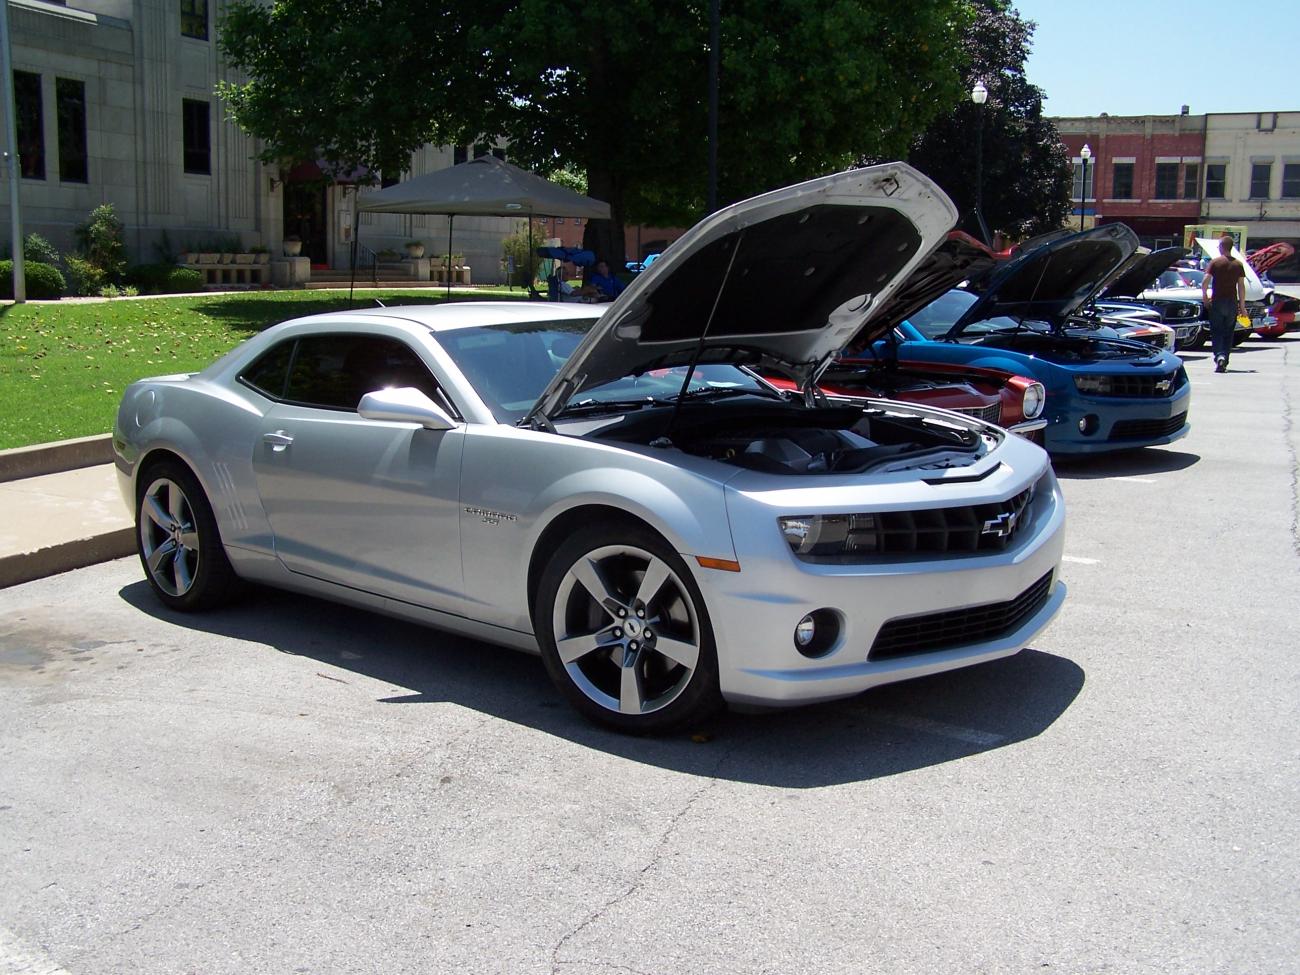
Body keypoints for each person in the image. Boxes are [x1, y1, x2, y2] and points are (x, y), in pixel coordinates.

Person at [1201, 234, 1247, 373]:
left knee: (1217, 331)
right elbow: (1241, 286)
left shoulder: (1215, 263)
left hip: (1218, 302)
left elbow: (1205, 282)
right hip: (1232, 303)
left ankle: (1219, 356)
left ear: (1222, 247)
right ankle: (1224, 358)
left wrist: (1205, 298)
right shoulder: (1238, 264)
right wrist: (1242, 307)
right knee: (1228, 332)